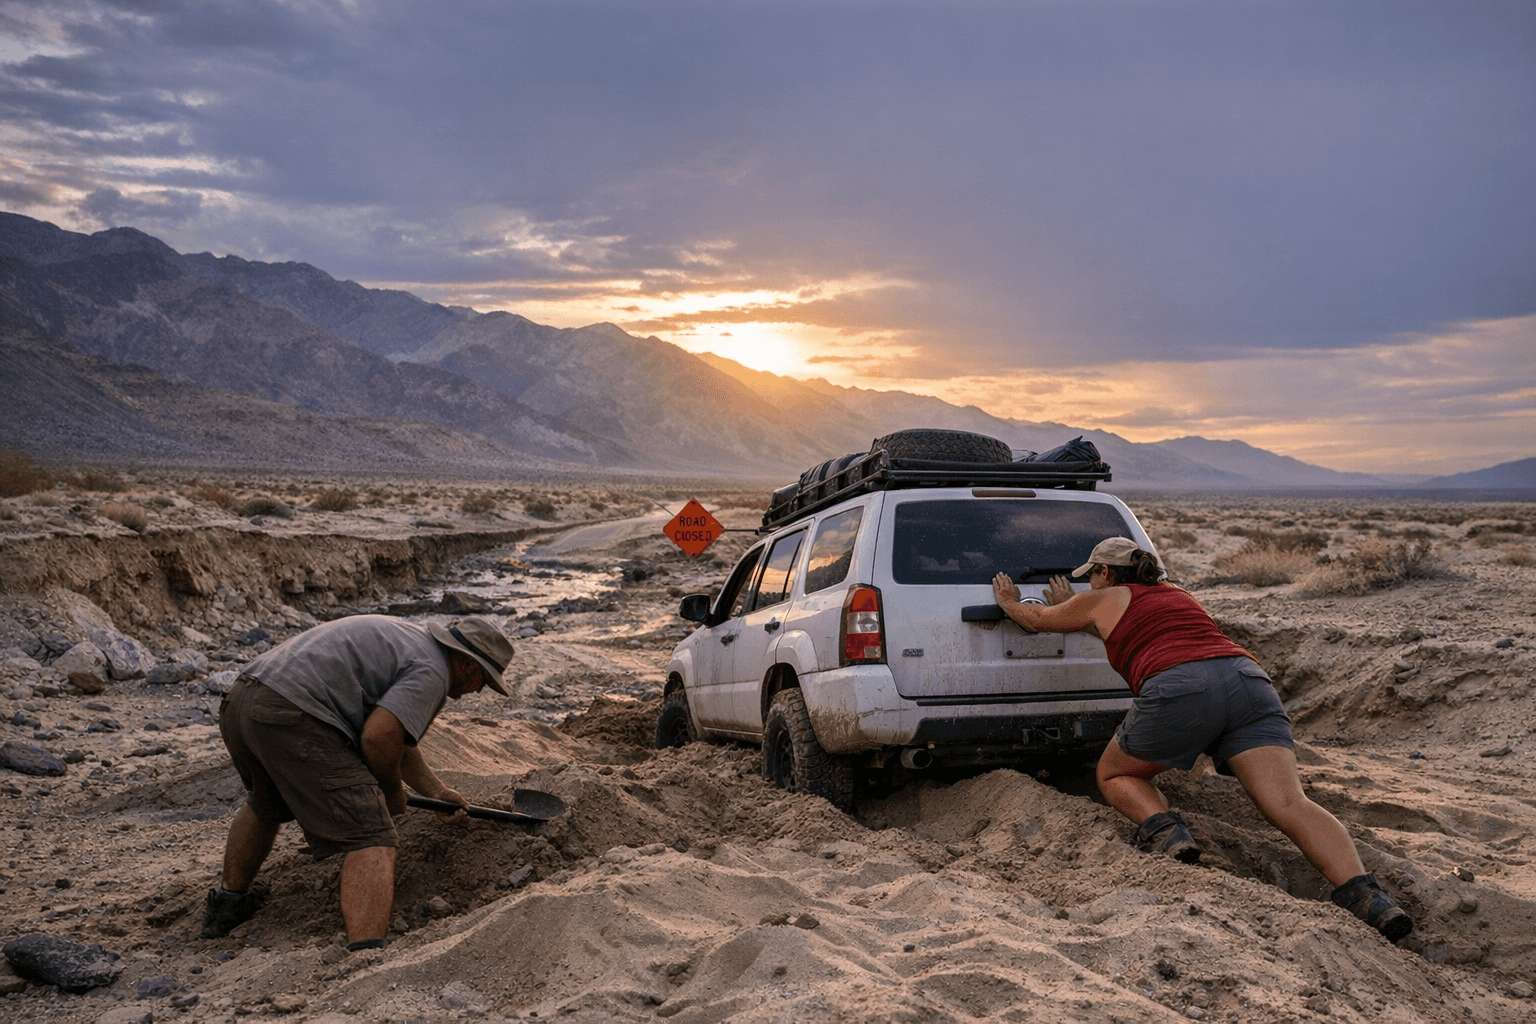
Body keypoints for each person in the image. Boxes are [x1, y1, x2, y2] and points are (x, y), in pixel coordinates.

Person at [991, 537, 1413, 943]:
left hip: (1183, 686)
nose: (1088, 583)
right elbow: (1123, 629)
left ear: (1105, 572)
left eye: (1091, 576)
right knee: (1290, 804)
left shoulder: (1103, 597)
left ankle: (1170, 836)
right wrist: (1073, 607)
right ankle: (1370, 900)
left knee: (1115, 775)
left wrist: (1010, 601)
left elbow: (1036, 620)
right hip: (1248, 681)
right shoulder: (1178, 594)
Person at [202, 614, 515, 950]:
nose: (477, 689)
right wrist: (389, 792)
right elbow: (379, 738)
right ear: (466, 664)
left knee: (267, 802)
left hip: (242, 699)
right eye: (483, 680)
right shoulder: (434, 671)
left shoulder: (411, 642)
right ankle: (366, 952)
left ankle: (228, 906)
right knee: (371, 832)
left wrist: (436, 791)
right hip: (292, 711)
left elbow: (397, 738)